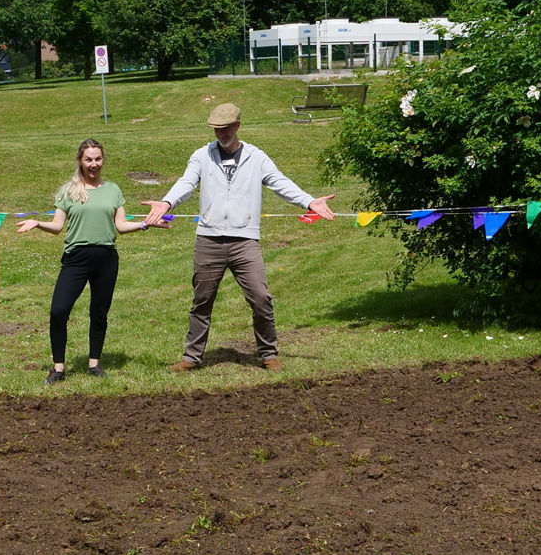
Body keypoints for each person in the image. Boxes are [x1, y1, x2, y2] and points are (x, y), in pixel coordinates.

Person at [141, 103, 335, 373]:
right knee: (201, 301)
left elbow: (281, 183)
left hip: (245, 241)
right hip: (208, 240)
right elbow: (186, 183)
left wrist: (309, 201)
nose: (221, 134)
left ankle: (269, 354)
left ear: (237, 126)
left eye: (226, 128)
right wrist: (166, 202)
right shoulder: (202, 156)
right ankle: (192, 357)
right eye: (216, 129)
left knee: (260, 298)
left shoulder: (256, 157)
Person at [18, 138, 157, 383]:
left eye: (98, 159)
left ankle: (94, 364)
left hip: (106, 258)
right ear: (80, 161)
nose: (94, 164)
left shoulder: (113, 190)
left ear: (103, 160)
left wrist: (146, 223)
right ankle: (59, 368)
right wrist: (38, 223)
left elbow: (121, 226)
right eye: (89, 159)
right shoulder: (68, 191)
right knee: (58, 311)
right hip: (76, 259)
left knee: (99, 312)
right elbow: (58, 226)